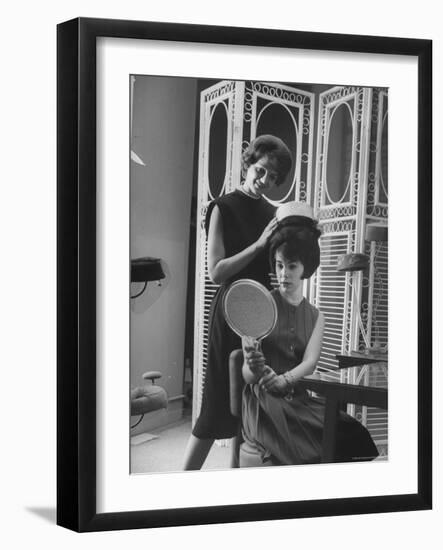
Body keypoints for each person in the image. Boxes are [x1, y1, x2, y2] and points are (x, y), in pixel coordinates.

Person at [183, 135, 293, 470]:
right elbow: (216, 271)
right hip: (231, 309)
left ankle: (235, 481)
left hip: (263, 314)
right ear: (248, 163)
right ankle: (180, 482)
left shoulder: (275, 213)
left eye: (274, 178)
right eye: (261, 171)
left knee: (251, 402)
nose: (265, 182)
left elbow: (285, 265)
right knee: (217, 402)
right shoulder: (222, 207)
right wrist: (260, 245)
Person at [240, 203, 379, 466]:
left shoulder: (316, 316)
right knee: (311, 449)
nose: (283, 274)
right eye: (279, 265)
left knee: (353, 433)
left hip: (297, 397)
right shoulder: (258, 307)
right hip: (264, 401)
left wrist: (285, 380)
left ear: (307, 268)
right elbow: (247, 377)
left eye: (291, 266)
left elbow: (309, 363)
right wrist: (252, 365)